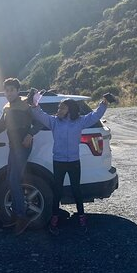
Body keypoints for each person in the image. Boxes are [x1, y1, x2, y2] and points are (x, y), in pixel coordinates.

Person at [29, 94, 109, 235]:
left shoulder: (79, 121)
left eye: (62, 107)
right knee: (57, 191)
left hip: (73, 161)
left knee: (76, 190)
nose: (59, 109)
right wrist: (35, 105)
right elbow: (40, 115)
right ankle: (54, 219)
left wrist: (104, 103)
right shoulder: (54, 121)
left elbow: (95, 116)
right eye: (59, 107)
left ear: (70, 109)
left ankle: (82, 217)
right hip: (59, 161)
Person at [0, 77, 41, 235]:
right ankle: (17, 214)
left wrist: (30, 134)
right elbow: (0, 126)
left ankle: (21, 216)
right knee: (10, 178)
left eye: (12, 90)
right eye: (7, 90)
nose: (9, 93)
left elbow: (39, 122)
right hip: (13, 146)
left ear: (17, 90)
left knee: (14, 179)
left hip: (23, 146)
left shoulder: (26, 104)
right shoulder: (6, 107)